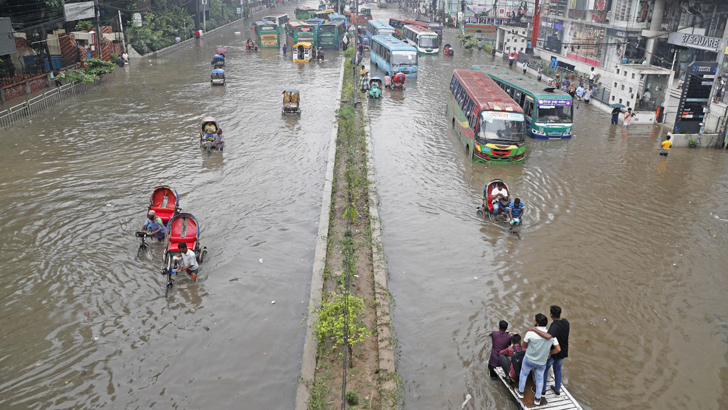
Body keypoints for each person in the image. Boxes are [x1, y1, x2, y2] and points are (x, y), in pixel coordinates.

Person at [514, 313, 560, 406]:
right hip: (541, 362)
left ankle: (521, 392)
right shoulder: (551, 335)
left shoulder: (530, 333)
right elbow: (558, 349)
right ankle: (537, 398)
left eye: (534, 320)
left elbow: (524, 346)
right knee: (539, 379)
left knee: (524, 374)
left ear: (537, 323)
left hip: (529, 359)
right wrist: (550, 353)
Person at [529, 306, 570, 397]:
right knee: (558, 369)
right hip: (563, 351)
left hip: (553, 352)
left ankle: (542, 390)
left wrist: (534, 329)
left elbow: (548, 336)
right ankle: (557, 388)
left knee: (544, 370)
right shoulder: (566, 322)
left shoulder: (554, 325)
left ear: (551, 314)